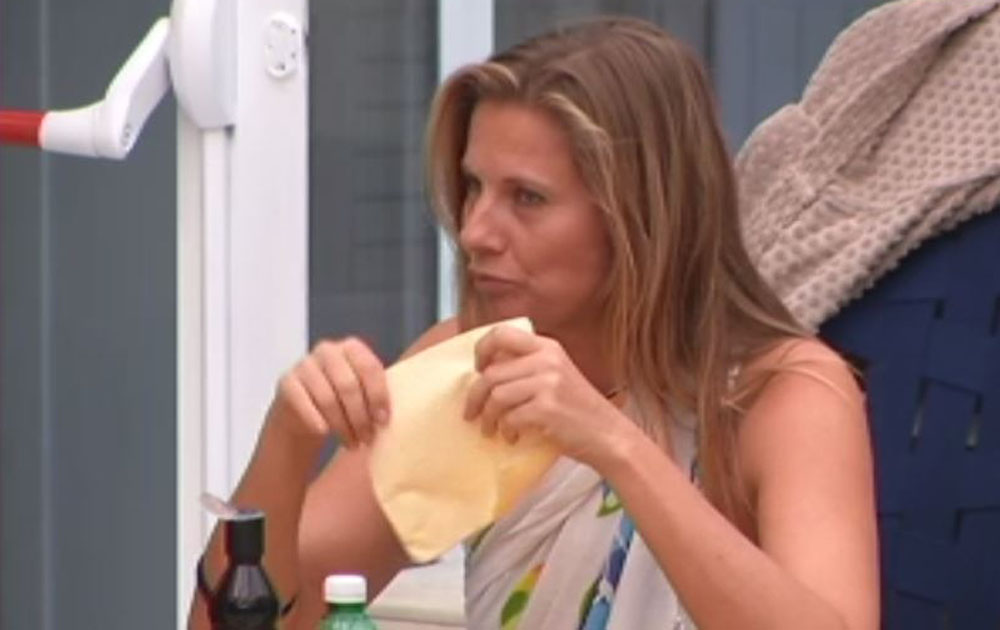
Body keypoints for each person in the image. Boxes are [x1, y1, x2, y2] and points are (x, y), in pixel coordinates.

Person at [189, 16, 878, 630]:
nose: (475, 231)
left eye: (527, 198)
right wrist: (287, 440)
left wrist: (613, 443)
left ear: (640, 217)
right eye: (473, 187)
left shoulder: (785, 395)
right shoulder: (474, 367)